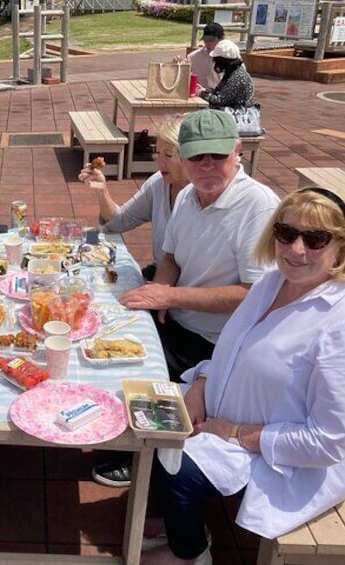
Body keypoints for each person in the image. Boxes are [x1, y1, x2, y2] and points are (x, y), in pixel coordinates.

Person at [141, 187, 345, 565]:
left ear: (342, 245)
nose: (296, 249)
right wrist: (201, 387)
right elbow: (234, 350)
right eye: (286, 234)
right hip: (227, 417)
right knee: (146, 409)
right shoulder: (273, 282)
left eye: (315, 239)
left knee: (176, 466)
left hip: (285, 452)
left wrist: (239, 435)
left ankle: (190, 552)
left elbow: (330, 443)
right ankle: (177, 519)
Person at [92, 109, 280, 488]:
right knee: (102, 335)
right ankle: (128, 438)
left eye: (218, 156)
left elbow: (252, 294)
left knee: (127, 367)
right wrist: (160, 299)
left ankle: (141, 458)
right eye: (197, 157)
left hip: (218, 347)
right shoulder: (188, 197)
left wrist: (169, 294)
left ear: (238, 151)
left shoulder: (258, 206)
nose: (207, 166)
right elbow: (172, 257)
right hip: (179, 321)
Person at [78, 115, 188, 281]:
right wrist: (102, 190)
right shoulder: (159, 183)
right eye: (158, 153)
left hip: (186, 289)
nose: (160, 161)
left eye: (168, 154)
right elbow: (119, 221)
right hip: (160, 276)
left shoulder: (203, 196)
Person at [197, 39, 255, 109]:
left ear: (222, 61)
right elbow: (220, 92)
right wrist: (205, 91)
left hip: (237, 115)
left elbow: (220, 101)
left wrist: (203, 94)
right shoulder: (232, 72)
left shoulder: (237, 77)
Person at [176, 22, 223, 91]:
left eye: (211, 40)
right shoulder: (193, 57)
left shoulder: (229, 57)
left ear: (220, 39)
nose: (208, 43)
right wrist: (176, 65)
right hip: (200, 96)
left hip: (221, 97)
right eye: (206, 40)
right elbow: (181, 73)